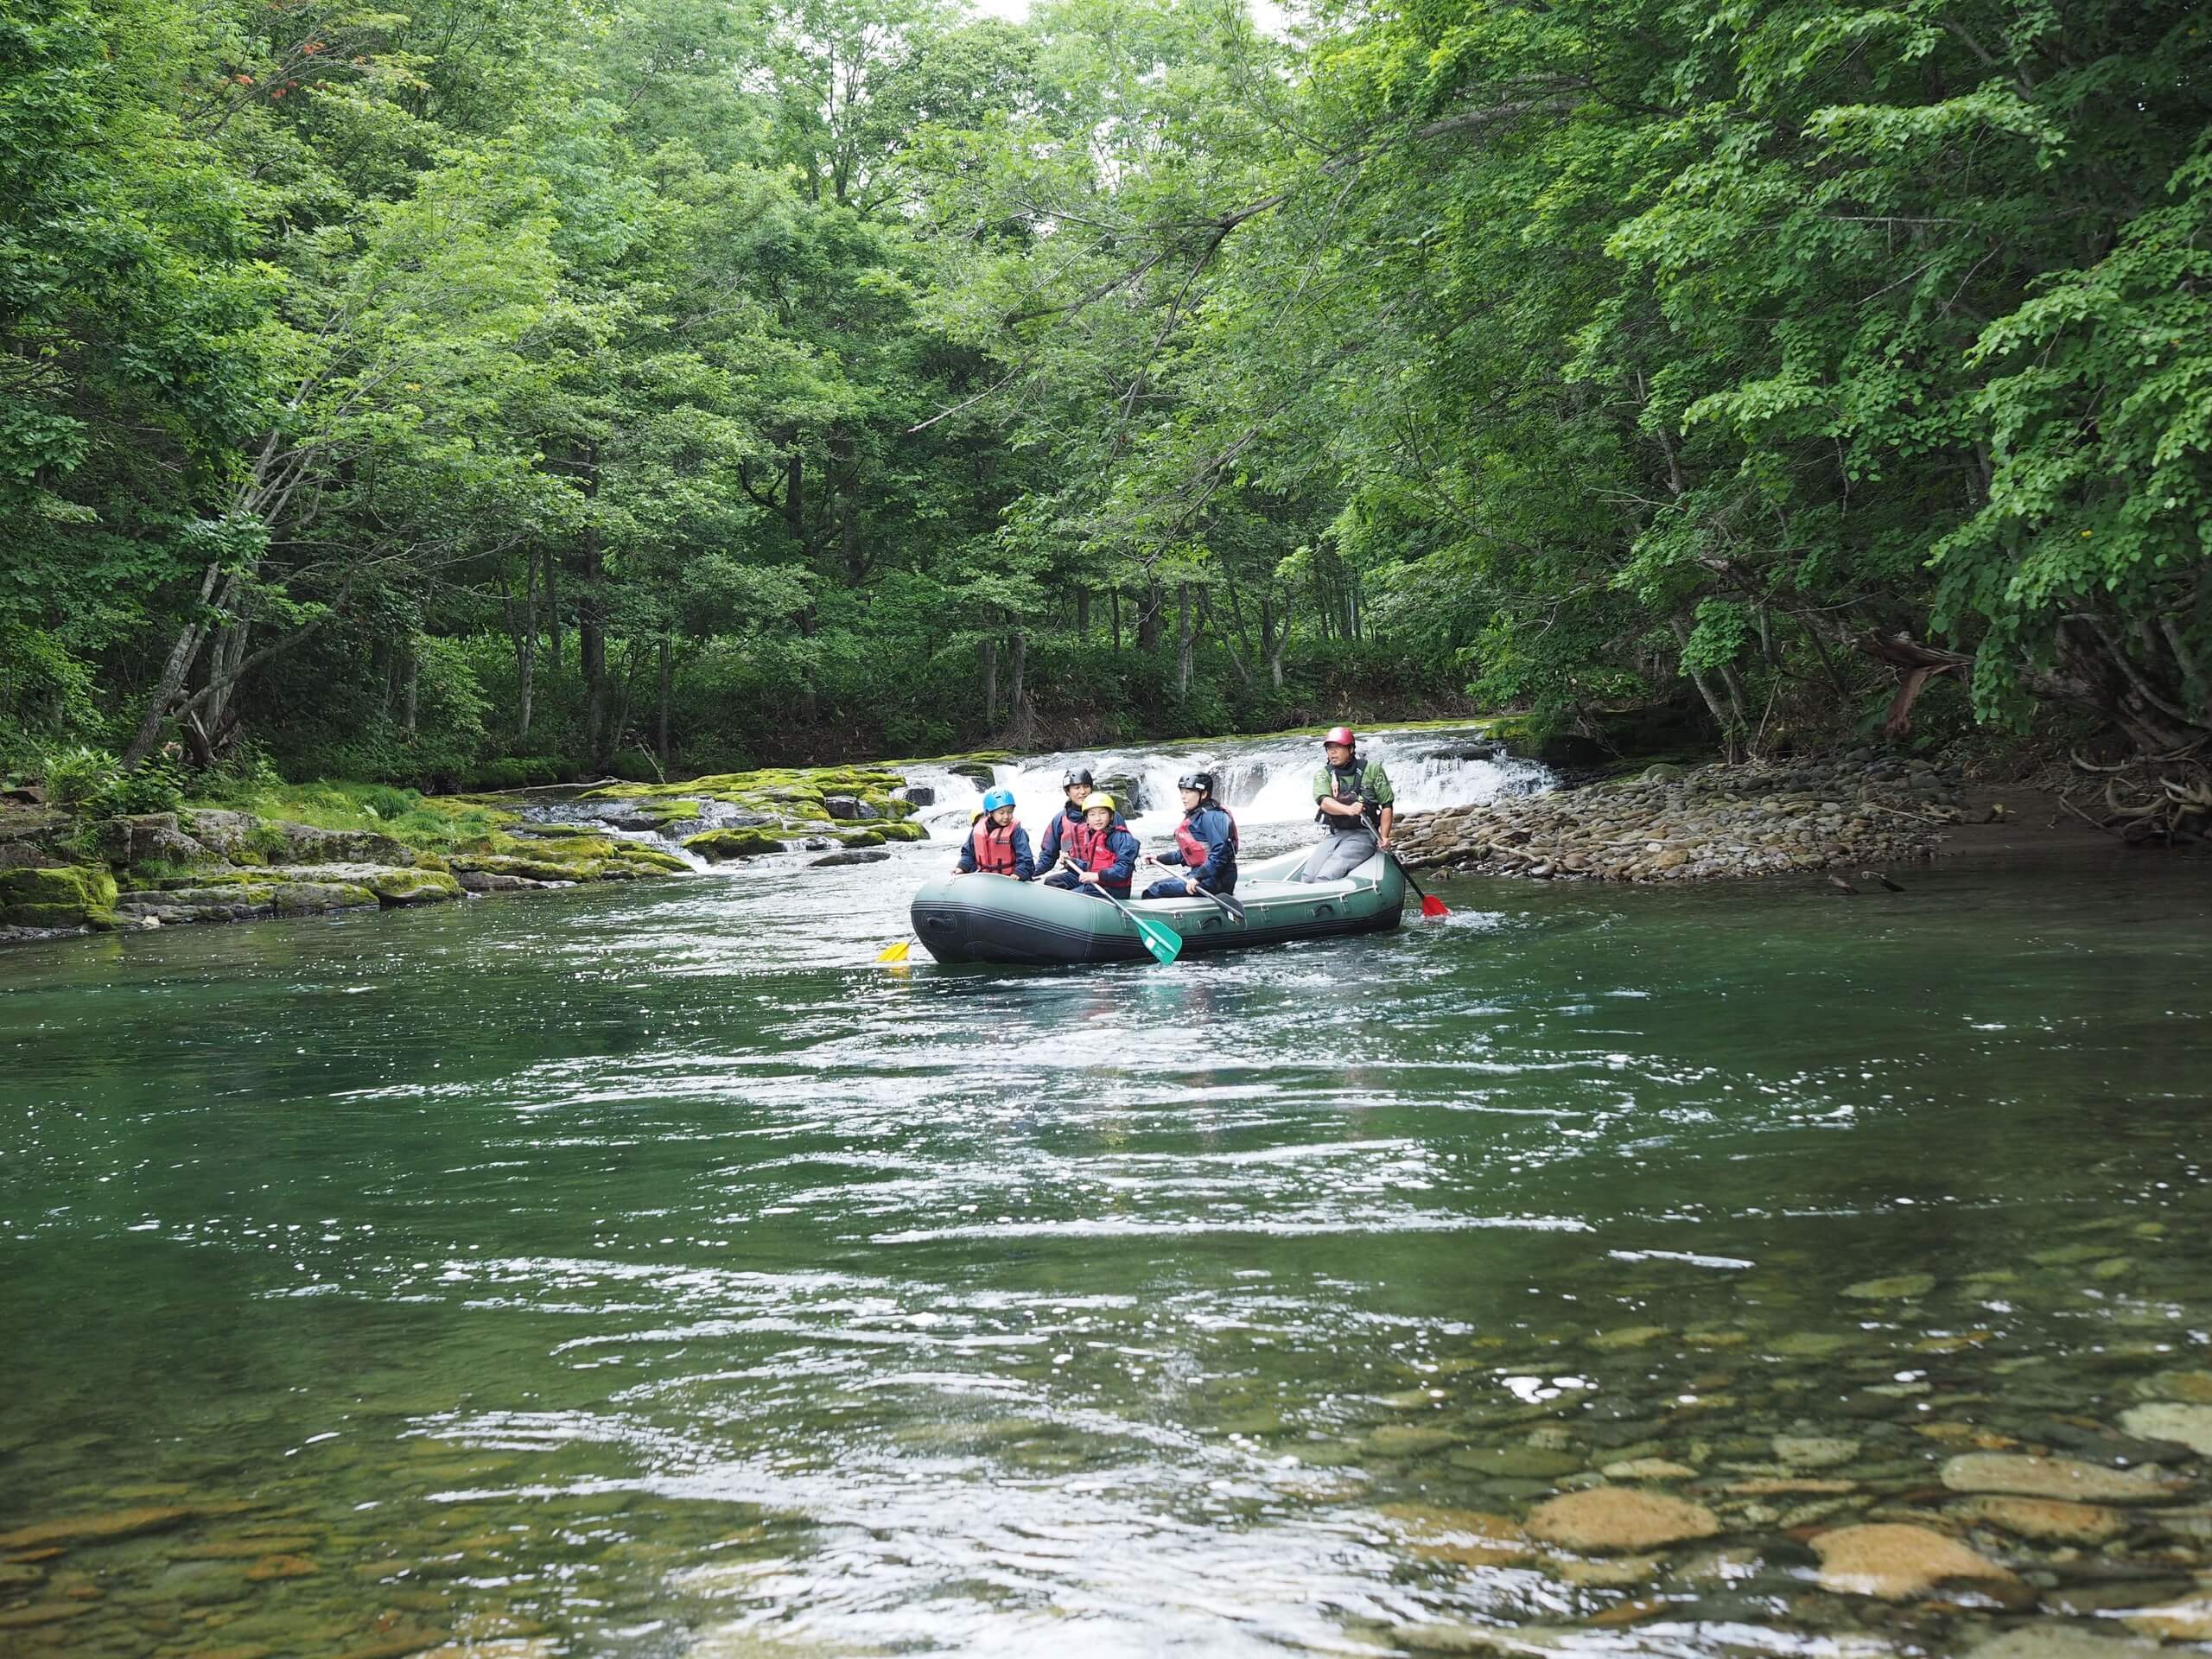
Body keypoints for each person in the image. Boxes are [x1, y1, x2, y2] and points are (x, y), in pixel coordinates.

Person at [1300, 725, 1395, 881]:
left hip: (1364, 834)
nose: (1332, 752)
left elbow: (1386, 805)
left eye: (1338, 747)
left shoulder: (1372, 770)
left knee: (1325, 876)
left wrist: (1384, 837)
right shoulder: (1324, 775)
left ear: (1350, 749)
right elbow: (1324, 802)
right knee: (1308, 877)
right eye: (1329, 748)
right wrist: (1349, 809)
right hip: (1335, 833)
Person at [1142, 772, 1238, 899]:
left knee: (1156, 890)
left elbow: (1221, 852)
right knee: (1155, 886)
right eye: (1182, 792)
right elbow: (1187, 854)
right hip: (1203, 876)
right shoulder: (1197, 816)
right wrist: (1158, 858)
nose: (1183, 797)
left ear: (1203, 794)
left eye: (1188, 792)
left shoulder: (1211, 816)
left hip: (1216, 879)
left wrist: (1198, 878)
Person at [1040, 791, 1140, 900]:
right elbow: (1092, 867)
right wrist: (1072, 863)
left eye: (1102, 813)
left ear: (1111, 816)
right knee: (1053, 882)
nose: (1097, 818)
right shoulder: (1094, 837)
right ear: (1087, 819)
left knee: (1068, 898)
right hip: (1097, 884)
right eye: (1092, 814)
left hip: (1112, 889)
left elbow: (1124, 868)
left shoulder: (1121, 838)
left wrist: (1098, 876)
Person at [954, 787, 1033, 880]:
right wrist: (961, 867)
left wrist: (1019, 873)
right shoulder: (978, 829)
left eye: (1010, 812)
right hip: (986, 879)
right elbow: (968, 853)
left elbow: (1026, 859)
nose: (1006, 816)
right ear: (991, 813)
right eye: (1001, 813)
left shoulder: (1017, 832)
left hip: (1011, 879)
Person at [1035, 767, 1096, 868]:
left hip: (1101, 873)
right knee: (1052, 882)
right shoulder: (1059, 820)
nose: (1082, 792)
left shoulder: (1107, 816)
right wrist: (1029, 873)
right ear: (1068, 791)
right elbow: (1048, 856)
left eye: (1086, 787)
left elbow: (1124, 852)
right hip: (1075, 872)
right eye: (1077, 788)